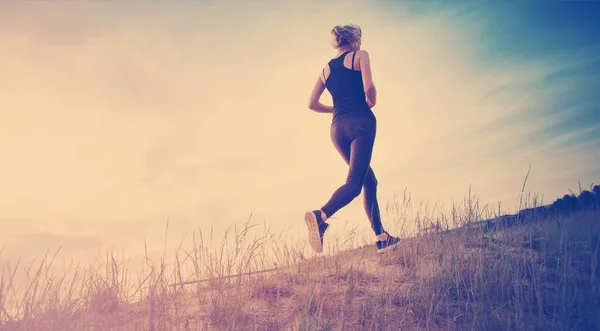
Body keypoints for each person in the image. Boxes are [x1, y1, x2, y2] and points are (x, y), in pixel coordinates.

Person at [304, 24, 402, 254]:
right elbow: (369, 87)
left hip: (337, 129)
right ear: (355, 39)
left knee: (369, 181)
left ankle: (381, 237)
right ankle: (320, 215)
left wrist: (335, 110)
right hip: (361, 123)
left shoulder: (326, 69)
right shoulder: (360, 55)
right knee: (355, 184)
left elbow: (311, 104)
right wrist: (372, 101)